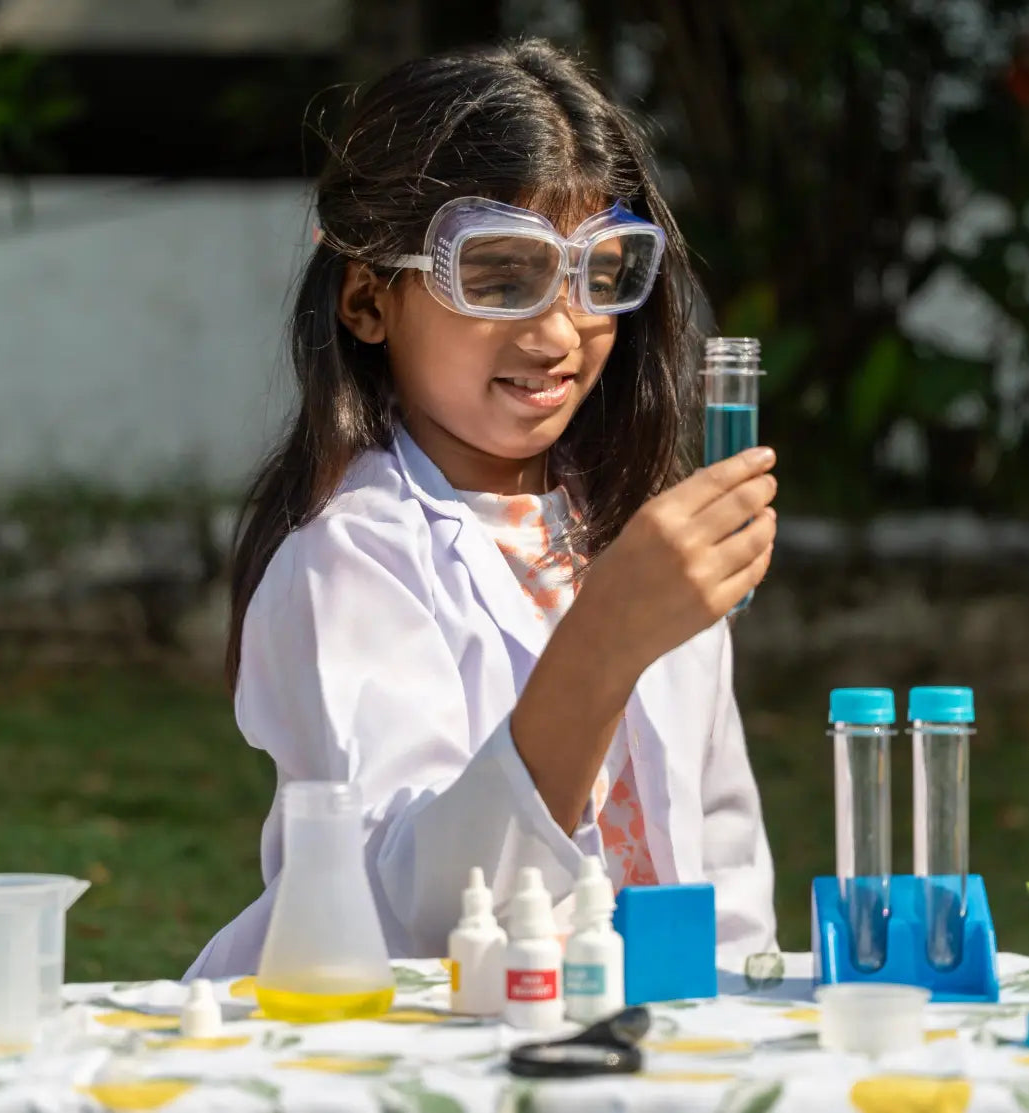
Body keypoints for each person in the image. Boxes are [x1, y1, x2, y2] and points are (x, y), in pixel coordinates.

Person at [186, 37, 779, 979]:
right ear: (367, 300)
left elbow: (718, 853)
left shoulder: (632, 534)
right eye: (502, 275)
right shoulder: (351, 558)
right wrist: (603, 641)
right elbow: (418, 911)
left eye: (600, 272)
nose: (559, 331)